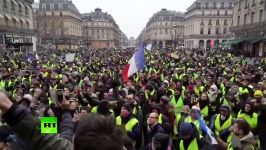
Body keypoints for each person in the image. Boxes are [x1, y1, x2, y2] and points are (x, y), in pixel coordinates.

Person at [0, 91, 130, 150]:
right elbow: (65, 134)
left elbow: (47, 139)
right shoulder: (48, 113)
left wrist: (10, 108)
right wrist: (65, 112)